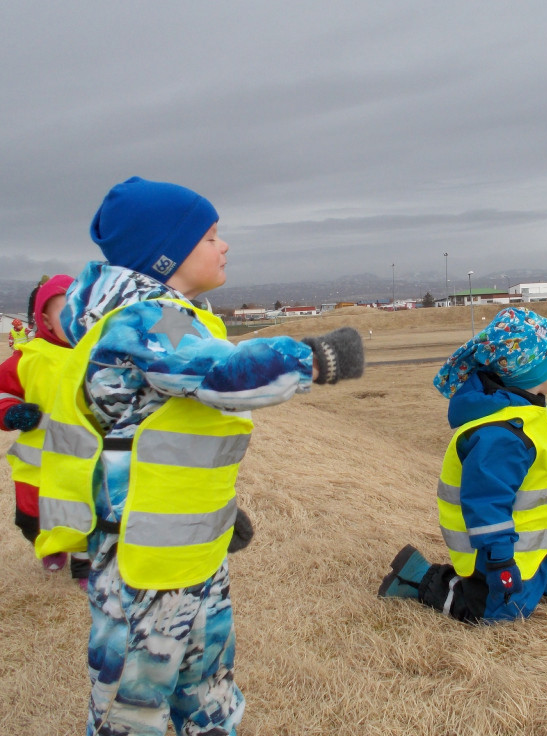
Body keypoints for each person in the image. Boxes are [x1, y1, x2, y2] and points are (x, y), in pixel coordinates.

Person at [35, 176, 364, 736]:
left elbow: (162, 443)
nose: (224, 246)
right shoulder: (146, 319)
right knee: (134, 698)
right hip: (142, 562)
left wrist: (208, 521)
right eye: (211, 236)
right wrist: (314, 358)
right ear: (164, 255)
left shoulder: (161, 316)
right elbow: (217, 373)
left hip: (176, 545)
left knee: (205, 672)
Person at [378, 306, 547, 623]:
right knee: (500, 613)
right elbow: (486, 502)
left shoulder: (524, 410)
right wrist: (501, 562)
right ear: (532, 372)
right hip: (498, 551)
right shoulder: (501, 436)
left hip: (538, 541)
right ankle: (418, 579)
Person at [0, 275, 90, 586]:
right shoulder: (29, 357)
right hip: (37, 461)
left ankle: (83, 564)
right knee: (32, 519)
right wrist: (12, 412)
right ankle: (48, 544)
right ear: (46, 320)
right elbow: (2, 392)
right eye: (65, 312)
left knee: (84, 514)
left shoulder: (97, 357)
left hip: (84, 459)